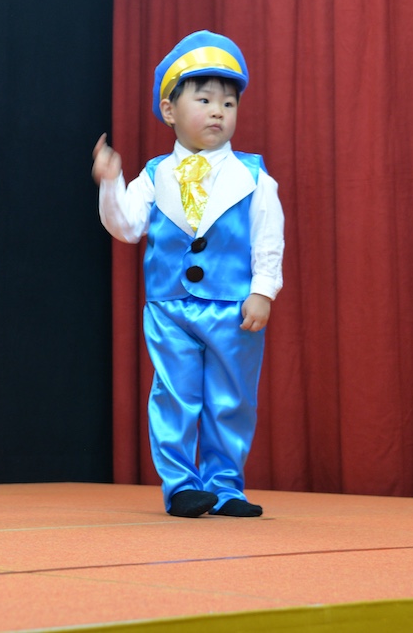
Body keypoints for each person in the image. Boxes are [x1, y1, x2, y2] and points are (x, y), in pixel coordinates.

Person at [92, 30, 283, 518]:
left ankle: (225, 486)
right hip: (170, 307)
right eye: (204, 100)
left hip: (232, 307)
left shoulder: (254, 177)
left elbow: (268, 238)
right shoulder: (154, 175)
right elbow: (127, 227)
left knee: (231, 399)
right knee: (175, 395)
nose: (218, 112)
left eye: (228, 103)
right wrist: (111, 183)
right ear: (169, 110)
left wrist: (263, 291)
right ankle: (180, 485)